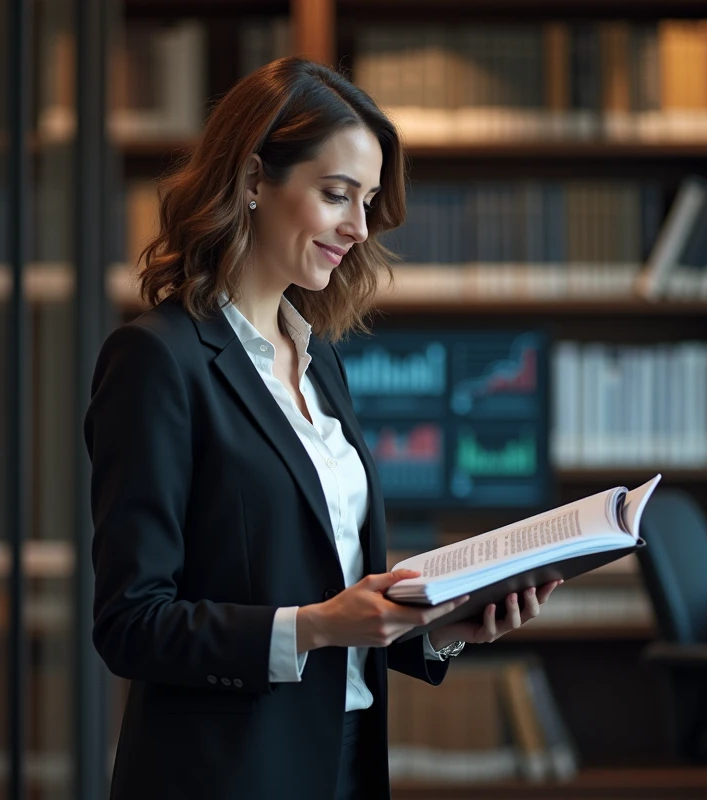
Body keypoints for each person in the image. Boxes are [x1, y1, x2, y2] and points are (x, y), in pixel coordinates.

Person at [84, 56, 561, 800]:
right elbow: (131, 624)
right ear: (250, 181)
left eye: (367, 201)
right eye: (337, 195)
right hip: (227, 775)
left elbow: (333, 594)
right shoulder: (157, 359)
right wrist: (312, 627)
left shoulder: (318, 359)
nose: (360, 227)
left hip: (342, 757)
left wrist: (436, 631)